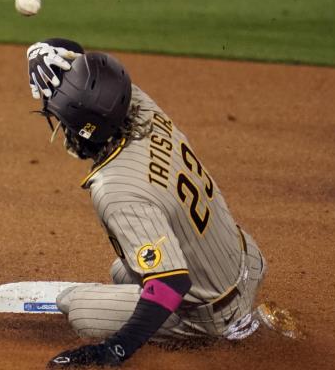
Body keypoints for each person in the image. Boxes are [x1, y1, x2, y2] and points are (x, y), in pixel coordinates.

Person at [26, 40, 267, 366]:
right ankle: (235, 312)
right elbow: (93, 78)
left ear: (83, 131)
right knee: (123, 270)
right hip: (244, 260)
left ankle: (229, 330)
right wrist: (43, 51)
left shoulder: (116, 190)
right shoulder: (141, 107)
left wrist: (113, 350)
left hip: (211, 312)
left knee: (77, 306)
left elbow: (171, 283)